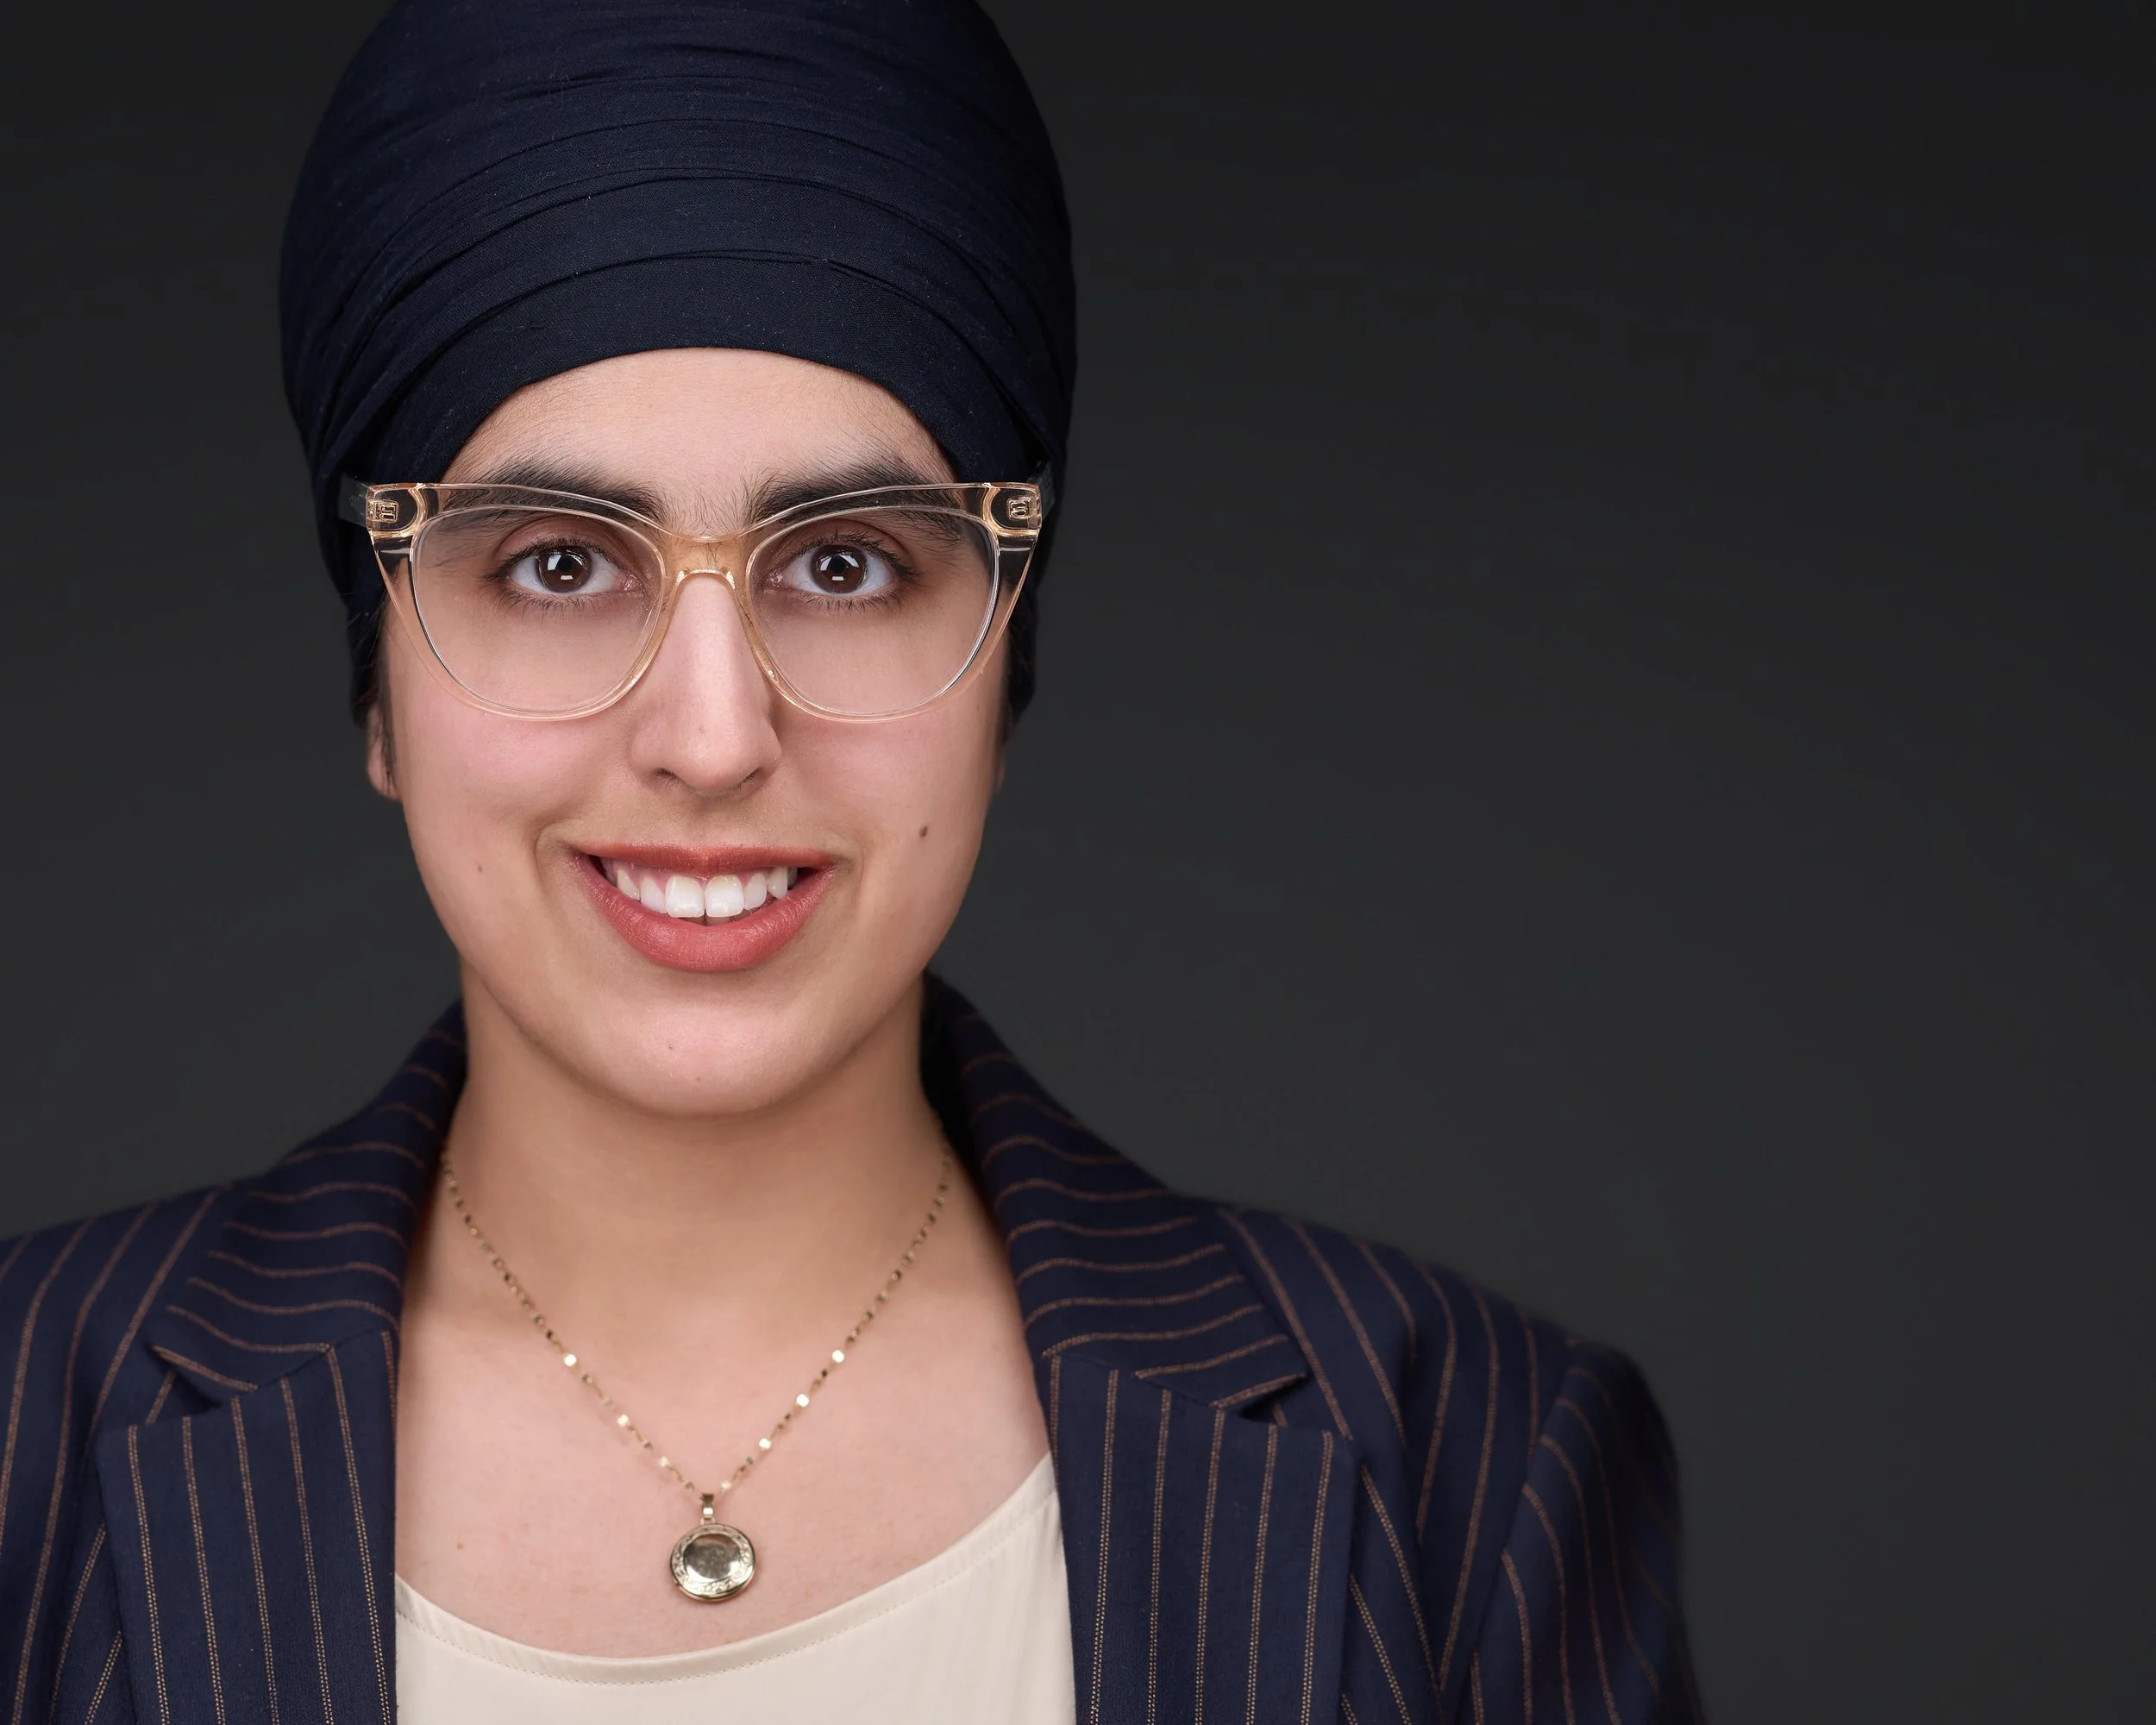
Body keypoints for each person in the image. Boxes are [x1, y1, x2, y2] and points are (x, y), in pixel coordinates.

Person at [0, 2, 1700, 1720]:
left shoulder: (1470, 1461)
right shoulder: (21, 1428)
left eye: (845, 565)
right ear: (379, 685)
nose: (713, 735)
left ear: (1005, 668)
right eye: (560, 564)